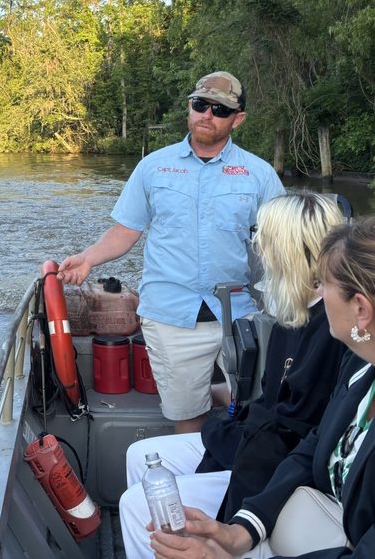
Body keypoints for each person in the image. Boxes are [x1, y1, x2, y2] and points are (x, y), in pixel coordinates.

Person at [148, 214, 375, 559]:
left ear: (361, 309)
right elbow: (313, 447)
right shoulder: (367, 368)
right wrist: (241, 530)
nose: (319, 293)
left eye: (324, 284)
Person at [118, 191, 347, 559]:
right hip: (259, 443)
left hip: (276, 467)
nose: (257, 248)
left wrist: (216, 430)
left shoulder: (335, 330)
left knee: (137, 505)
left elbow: (291, 434)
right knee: (141, 454)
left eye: (262, 239)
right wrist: (222, 423)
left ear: (285, 249)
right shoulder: (295, 316)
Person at [59, 71, 284, 433]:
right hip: (169, 316)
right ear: (189, 108)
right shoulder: (153, 167)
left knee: (257, 412)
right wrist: (87, 258)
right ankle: (195, 480)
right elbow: (126, 230)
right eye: (200, 105)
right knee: (186, 416)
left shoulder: (259, 175)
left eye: (220, 110)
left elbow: (282, 243)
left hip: (241, 316)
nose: (207, 115)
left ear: (237, 119)